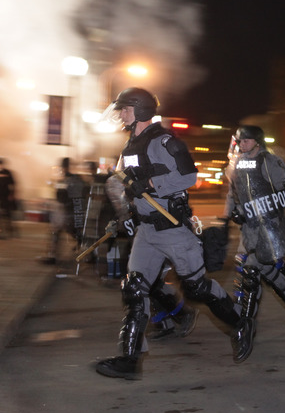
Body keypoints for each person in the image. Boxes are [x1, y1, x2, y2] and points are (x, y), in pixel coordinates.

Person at [95, 87, 253, 380]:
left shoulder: (163, 141)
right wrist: (125, 214)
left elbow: (188, 175)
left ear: (140, 110)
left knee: (196, 288)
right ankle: (129, 359)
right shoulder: (130, 147)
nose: (121, 114)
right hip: (146, 231)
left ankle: (241, 323)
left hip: (173, 229)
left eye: (125, 109)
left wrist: (150, 184)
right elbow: (119, 184)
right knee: (134, 288)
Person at [225, 125, 285, 334]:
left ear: (257, 141)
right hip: (248, 226)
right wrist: (230, 214)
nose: (242, 144)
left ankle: (245, 326)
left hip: (269, 225)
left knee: (253, 267)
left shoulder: (269, 161)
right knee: (266, 267)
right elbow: (234, 193)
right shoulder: (238, 163)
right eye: (240, 141)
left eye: (246, 140)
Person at [39, 158, 88, 264]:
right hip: (80, 213)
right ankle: (84, 247)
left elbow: (60, 198)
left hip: (69, 214)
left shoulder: (64, 181)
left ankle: (52, 255)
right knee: (76, 233)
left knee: (55, 230)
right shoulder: (81, 180)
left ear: (64, 168)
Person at [0, 157, 17, 238]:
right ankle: (2, 232)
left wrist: (12, 195)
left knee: (7, 214)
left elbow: (13, 184)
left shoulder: (7, 172)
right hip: (0, 195)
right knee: (0, 214)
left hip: (6, 195)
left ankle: (9, 231)